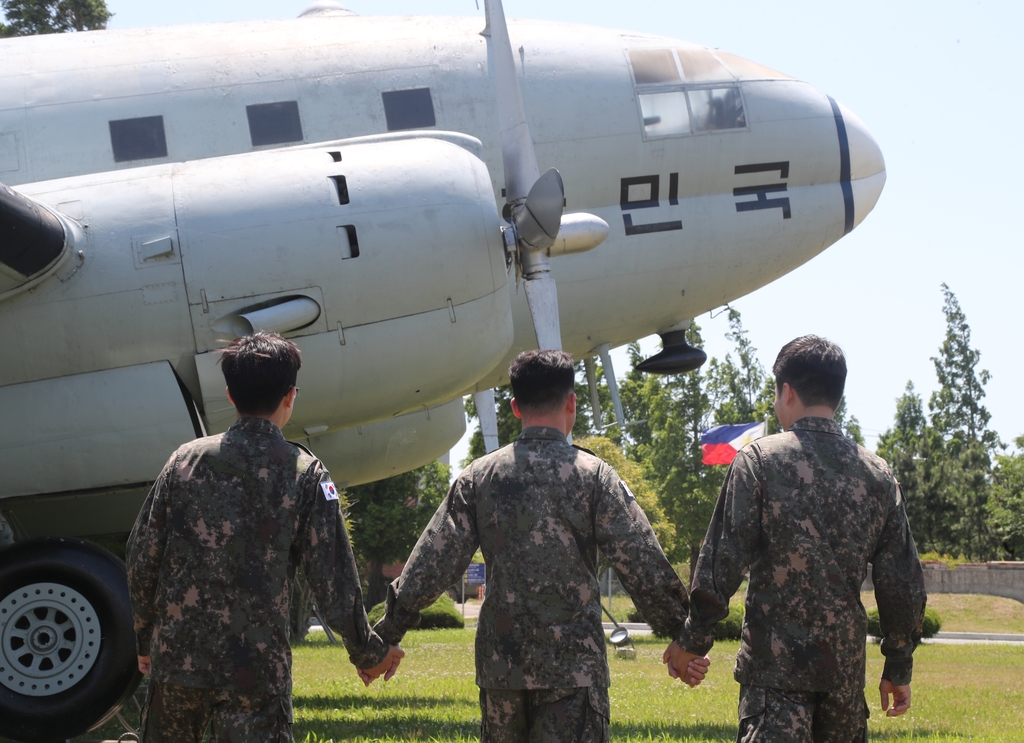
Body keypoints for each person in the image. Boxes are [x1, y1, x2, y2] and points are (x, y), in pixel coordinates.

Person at [373, 349, 708, 743]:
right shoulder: (594, 476)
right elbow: (642, 562)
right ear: (572, 403)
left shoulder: (479, 478)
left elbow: (431, 562)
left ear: (514, 407)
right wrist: (684, 637)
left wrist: (384, 636)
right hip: (574, 672)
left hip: (503, 671)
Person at [127, 332, 403, 742]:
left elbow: (142, 557)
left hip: (178, 665)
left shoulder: (184, 461)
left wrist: (146, 638)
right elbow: (334, 580)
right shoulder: (305, 473)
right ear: (290, 396)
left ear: (229, 394)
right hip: (254, 673)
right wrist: (368, 652)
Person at [668, 335, 926, 743]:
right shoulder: (877, 474)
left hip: (774, 677)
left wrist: (693, 639)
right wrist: (898, 665)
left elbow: (722, 562)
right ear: (836, 394)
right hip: (843, 678)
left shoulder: (759, 461)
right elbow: (902, 583)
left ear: (786, 392)